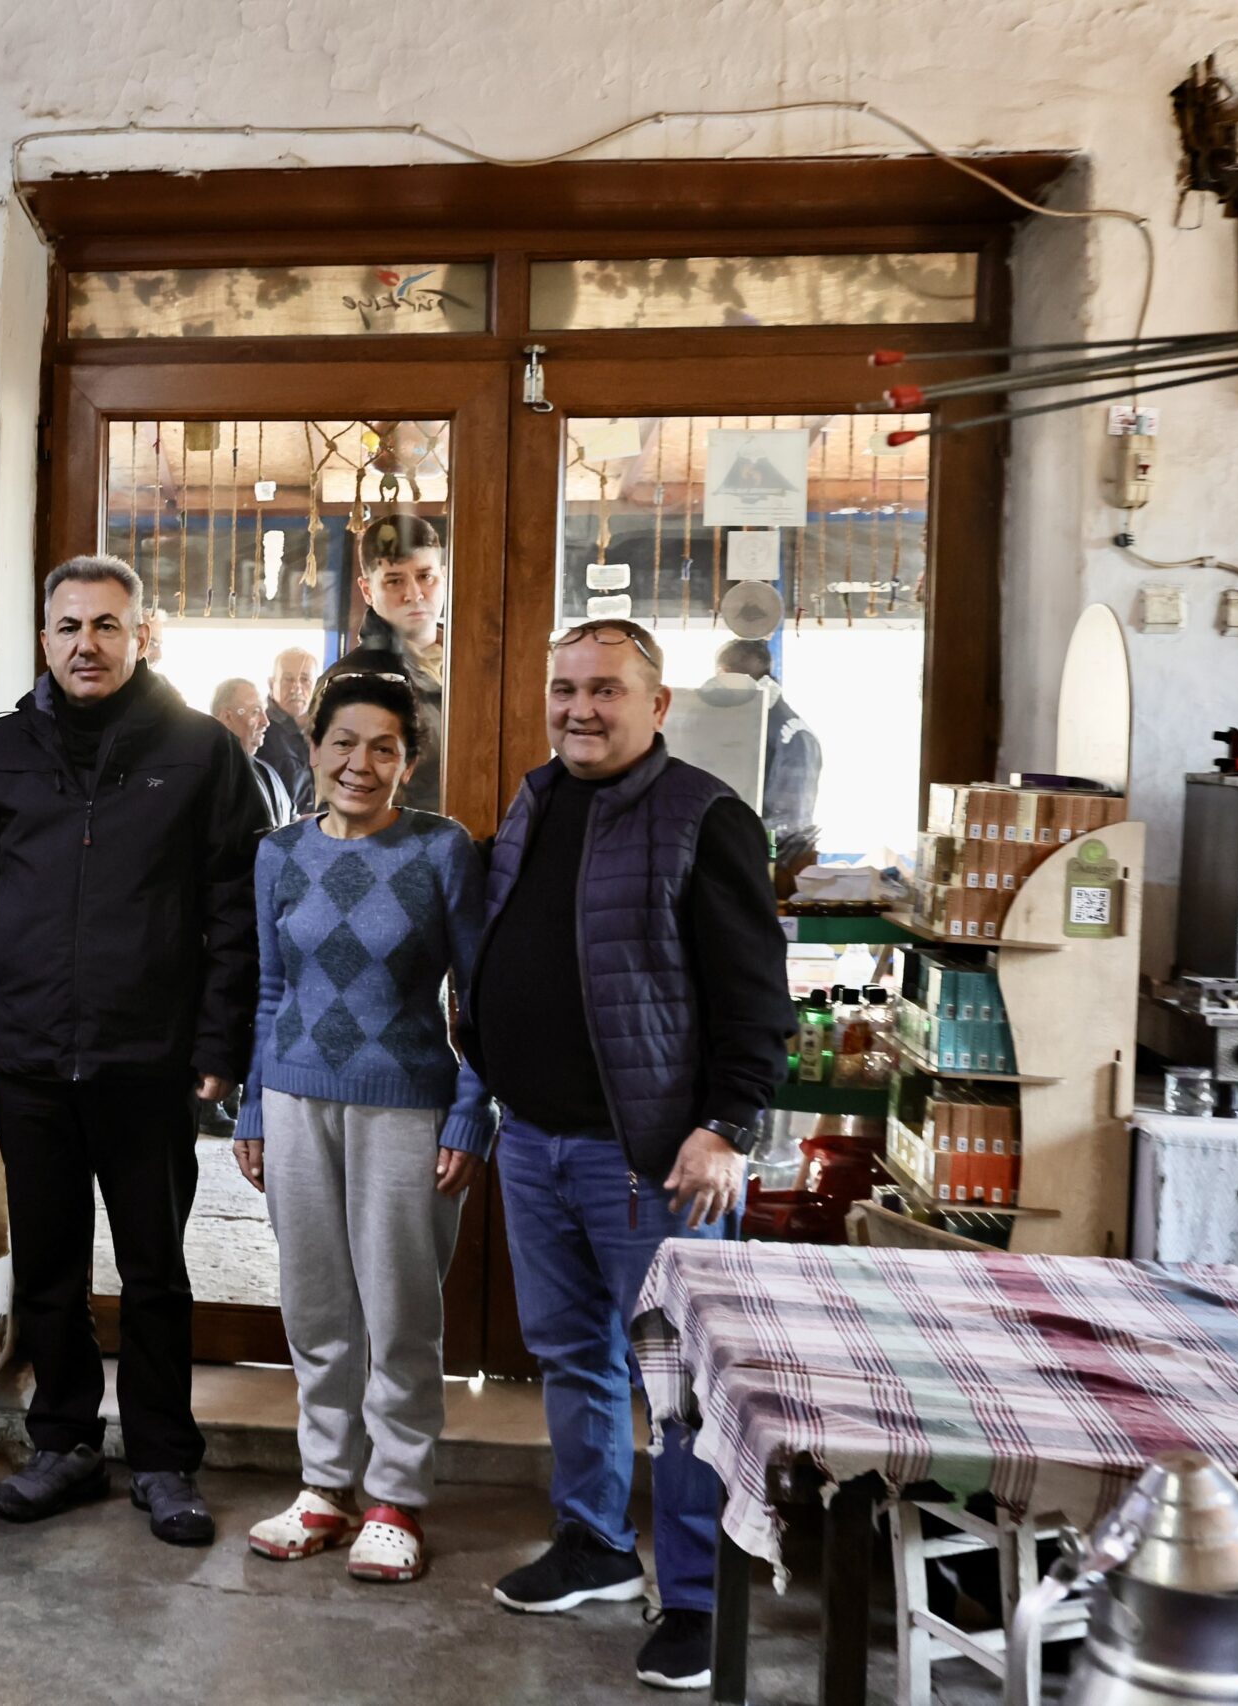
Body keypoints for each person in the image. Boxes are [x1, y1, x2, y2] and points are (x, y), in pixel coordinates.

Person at [459, 618, 792, 1692]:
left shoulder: (705, 815)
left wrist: (725, 1125)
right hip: (536, 1140)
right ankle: (595, 1541)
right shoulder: (533, 800)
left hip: (654, 1157)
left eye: (605, 689)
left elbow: (755, 997)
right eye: (564, 687)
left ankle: (699, 1596)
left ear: (657, 705)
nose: (578, 708)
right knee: (571, 1354)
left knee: (683, 1381)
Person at [0, 555, 263, 1548]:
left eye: (107, 625)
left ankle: (162, 1457)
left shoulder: (201, 752)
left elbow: (235, 909)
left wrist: (220, 1039)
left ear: (140, 635)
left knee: (156, 1268)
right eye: (69, 625)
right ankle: (64, 1442)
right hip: (28, 1057)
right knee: (48, 1265)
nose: (87, 642)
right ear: (44, 638)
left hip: (148, 1058)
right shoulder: (0, 754)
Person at [232, 671, 491, 1582]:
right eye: (344, 742)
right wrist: (255, 1102)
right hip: (297, 1101)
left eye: (385, 747)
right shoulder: (278, 855)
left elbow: (481, 996)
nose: (361, 763)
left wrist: (472, 1107)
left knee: (400, 1308)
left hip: (409, 1104)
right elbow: (270, 991)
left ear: (409, 763)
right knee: (314, 1304)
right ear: (312, 751)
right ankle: (325, 1488)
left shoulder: (441, 851)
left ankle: (396, 1497)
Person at [326, 513, 448, 812]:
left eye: (425, 576)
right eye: (395, 581)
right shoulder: (351, 682)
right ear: (367, 590)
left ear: (443, 576)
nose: (414, 594)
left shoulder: (480, 667)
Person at [712, 637, 823, 857]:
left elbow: (768, 816)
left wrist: (767, 865)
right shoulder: (794, 725)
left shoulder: (757, 727)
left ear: (723, 673)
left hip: (770, 852)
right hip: (794, 853)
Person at [210, 677, 294, 829]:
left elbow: (292, 821)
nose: (265, 722)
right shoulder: (207, 775)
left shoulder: (269, 772)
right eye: (255, 712)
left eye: (263, 710)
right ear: (227, 717)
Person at [262, 647, 320, 815]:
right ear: (272, 684)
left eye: (305, 679)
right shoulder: (260, 732)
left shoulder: (326, 731)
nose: (296, 688)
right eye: (288, 679)